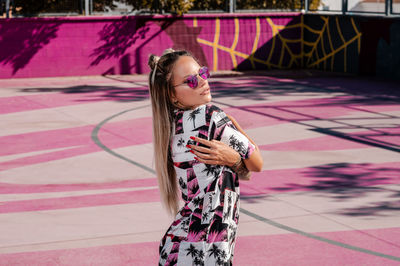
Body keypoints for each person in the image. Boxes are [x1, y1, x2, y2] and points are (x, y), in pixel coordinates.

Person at [147, 48, 263, 265]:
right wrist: (233, 124)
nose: (202, 82)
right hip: (207, 250)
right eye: (191, 81)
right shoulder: (211, 117)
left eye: (202, 73)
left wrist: (233, 159)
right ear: (172, 94)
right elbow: (257, 163)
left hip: (180, 247)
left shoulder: (171, 126)